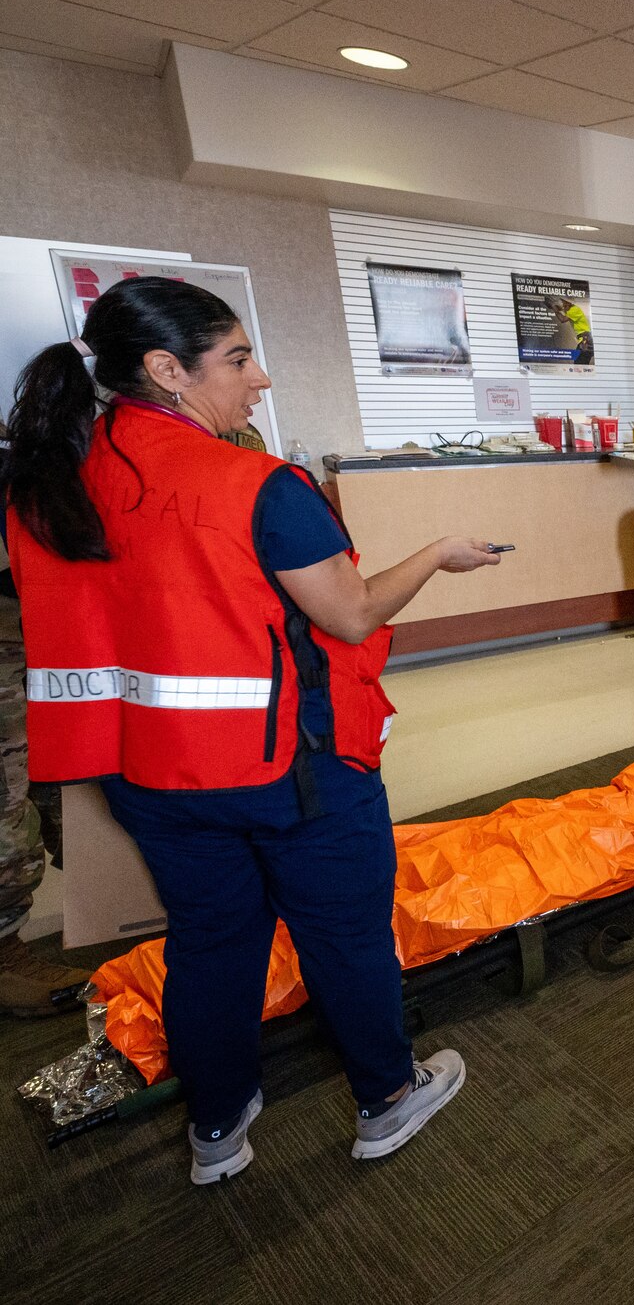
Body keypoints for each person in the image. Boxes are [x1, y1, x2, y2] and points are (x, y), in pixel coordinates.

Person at [4, 276, 502, 1183]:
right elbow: (349, 616)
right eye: (237, 358)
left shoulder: (54, 477)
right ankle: (388, 1101)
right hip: (292, 774)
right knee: (345, 936)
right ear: (165, 369)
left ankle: (218, 1129)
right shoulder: (257, 485)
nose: (259, 377)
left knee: (211, 942)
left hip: (149, 776)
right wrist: (434, 554)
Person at [88, 724, 634, 1090]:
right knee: (456, 845)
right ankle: (187, 966)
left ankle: (176, 992)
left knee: (454, 897)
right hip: (602, 806)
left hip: (626, 839)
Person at [0, 557, 89, 1018]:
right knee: (6, 797)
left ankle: (110, 918)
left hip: (46, 597)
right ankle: (3, 956)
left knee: (71, 776)